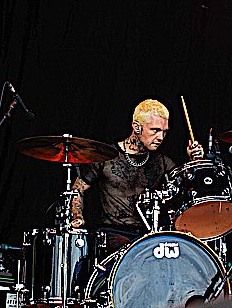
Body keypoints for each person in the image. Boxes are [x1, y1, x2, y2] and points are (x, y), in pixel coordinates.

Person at [69, 98, 204, 257]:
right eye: (155, 130)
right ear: (137, 127)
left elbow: (189, 189)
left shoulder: (163, 162)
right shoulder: (106, 157)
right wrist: (77, 216)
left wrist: (195, 162)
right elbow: (77, 190)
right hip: (113, 234)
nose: (161, 137)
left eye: (164, 132)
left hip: (148, 237)